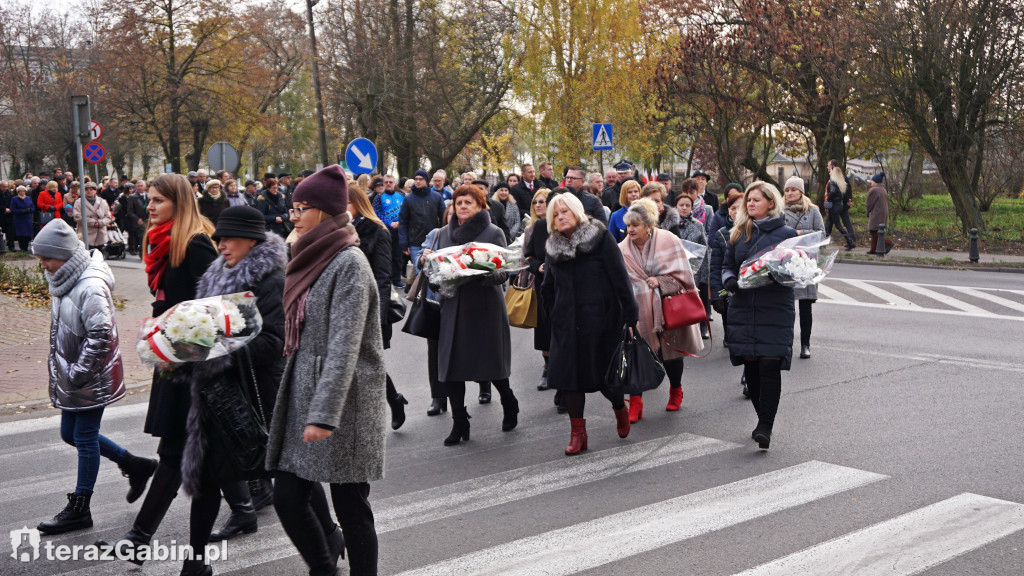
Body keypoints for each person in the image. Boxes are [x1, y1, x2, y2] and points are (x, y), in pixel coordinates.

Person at [267, 165, 385, 576]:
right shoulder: (310, 258)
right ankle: (324, 565)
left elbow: (344, 346)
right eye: (293, 206)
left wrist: (324, 414)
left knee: (351, 507)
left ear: (326, 212)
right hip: (309, 395)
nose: (293, 215)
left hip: (345, 404)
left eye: (302, 207)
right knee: (286, 495)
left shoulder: (349, 263)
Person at [97, 174, 219, 564]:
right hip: (173, 360)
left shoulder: (196, 245)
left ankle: (150, 542)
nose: (148, 207)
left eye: (157, 201)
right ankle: (143, 541)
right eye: (148, 200)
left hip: (195, 367)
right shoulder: (163, 244)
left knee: (189, 459)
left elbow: (213, 312)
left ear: (179, 204)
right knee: (180, 456)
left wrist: (167, 331)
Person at [177, 206, 287, 572]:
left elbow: (274, 342)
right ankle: (194, 564)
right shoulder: (214, 273)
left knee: (290, 482)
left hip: (256, 394)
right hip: (215, 393)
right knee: (207, 477)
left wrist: (215, 344)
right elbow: (202, 325)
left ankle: (328, 538)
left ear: (252, 240)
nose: (221, 245)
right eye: (219, 238)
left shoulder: (270, 278)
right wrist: (178, 345)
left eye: (229, 239)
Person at [31, 219, 156, 535]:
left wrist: (77, 373)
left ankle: (80, 507)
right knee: (69, 434)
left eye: (47, 258)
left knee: (84, 437)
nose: (43, 264)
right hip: (74, 375)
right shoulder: (63, 278)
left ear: (64, 255)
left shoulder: (89, 285)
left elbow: (101, 334)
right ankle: (133, 463)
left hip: (89, 376)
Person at [541, 193, 638, 456]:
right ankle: (577, 434)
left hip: (601, 321)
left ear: (576, 212)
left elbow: (620, 277)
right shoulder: (553, 245)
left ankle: (619, 408)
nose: (560, 217)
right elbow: (547, 287)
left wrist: (630, 313)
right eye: (555, 214)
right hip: (566, 323)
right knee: (570, 380)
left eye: (565, 212)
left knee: (605, 380)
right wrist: (552, 315)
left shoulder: (601, 238)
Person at [430, 185, 520, 445]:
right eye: (459, 202)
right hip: (453, 307)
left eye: (469, 202)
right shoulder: (444, 233)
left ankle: (509, 401)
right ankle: (460, 422)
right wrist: (436, 273)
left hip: (485, 307)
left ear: (480, 206)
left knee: (491, 364)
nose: (463, 206)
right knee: (451, 368)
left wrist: (477, 267)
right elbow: (436, 273)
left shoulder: (493, 232)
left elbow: (504, 273)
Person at [722, 181, 798, 450]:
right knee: (752, 367)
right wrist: (730, 279)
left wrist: (778, 273)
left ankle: (766, 425)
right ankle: (760, 417)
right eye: (748, 200)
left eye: (756, 199)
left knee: (769, 364)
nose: (750, 203)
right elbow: (727, 265)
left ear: (770, 203)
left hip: (774, 307)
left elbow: (795, 268)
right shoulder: (739, 232)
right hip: (744, 307)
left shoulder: (787, 233)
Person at [618, 200, 702, 421]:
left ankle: (676, 389)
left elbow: (685, 278)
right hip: (636, 311)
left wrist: (660, 281)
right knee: (635, 354)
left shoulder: (669, 240)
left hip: (668, 308)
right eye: (628, 226)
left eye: (636, 225)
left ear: (649, 224)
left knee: (671, 356)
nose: (631, 230)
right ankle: (635, 401)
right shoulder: (621, 249)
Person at [350, 185, 409, 430]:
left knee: (367, 362)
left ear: (355, 203)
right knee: (356, 362)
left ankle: (392, 401)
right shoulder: (338, 230)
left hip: (370, 306)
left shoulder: (376, 230)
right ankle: (394, 399)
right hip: (346, 304)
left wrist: (379, 315)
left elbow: (382, 277)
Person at [782, 176, 825, 360]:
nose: (790, 193)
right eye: (787, 190)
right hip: (787, 263)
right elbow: (777, 234)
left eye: (793, 189)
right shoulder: (779, 210)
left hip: (807, 264)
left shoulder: (813, 210)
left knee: (806, 307)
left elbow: (822, 233)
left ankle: (805, 345)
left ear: (801, 191)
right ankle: (787, 344)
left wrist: (800, 233)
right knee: (787, 308)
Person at [419, 203, 456, 417]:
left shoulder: (469, 236)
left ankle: (485, 387)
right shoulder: (435, 234)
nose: (454, 216)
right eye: (450, 213)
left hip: (464, 303)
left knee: (470, 347)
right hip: (436, 302)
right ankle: (438, 397)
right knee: (434, 351)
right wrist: (423, 258)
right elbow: (418, 263)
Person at [709, 191, 744, 393]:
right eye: (732, 208)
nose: (736, 211)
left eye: (740, 207)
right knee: (732, 326)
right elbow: (716, 267)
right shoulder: (722, 233)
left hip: (749, 290)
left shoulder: (755, 230)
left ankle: (748, 373)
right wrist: (717, 295)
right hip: (727, 289)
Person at [523, 188, 552, 392]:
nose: (539, 205)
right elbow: (528, 256)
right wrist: (538, 266)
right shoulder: (535, 228)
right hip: (540, 284)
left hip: (564, 287)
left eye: (543, 201)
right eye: (535, 202)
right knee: (543, 329)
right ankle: (548, 369)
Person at [675, 193, 712, 340]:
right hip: (674, 267)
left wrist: (704, 273)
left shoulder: (698, 225)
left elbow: (703, 248)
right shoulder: (668, 224)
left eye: (687, 206)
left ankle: (703, 326)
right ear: (675, 207)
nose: (684, 208)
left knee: (698, 298)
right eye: (681, 205)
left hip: (693, 267)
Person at [399, 169, 445, 281]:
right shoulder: (409, 199)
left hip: (433, 241)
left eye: (421, 179)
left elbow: (444, 218)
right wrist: (404, 243)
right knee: (419, 271)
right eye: (416, 179)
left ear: (427, 181)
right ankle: (419, 297)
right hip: (415, 241)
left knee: (433, 271)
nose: (418, 181)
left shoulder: (436, 197)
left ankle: (429, 296)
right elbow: (403, 221)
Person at [371, 175, 405, 287]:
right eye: (386, 182)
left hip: (399, 231)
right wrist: (389, 223)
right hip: (385, 232)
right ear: (383, 183)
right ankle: (387, 279)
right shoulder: (378, 197)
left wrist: (400, 223)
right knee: (386, 256)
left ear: (394, 183)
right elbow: (376, 214)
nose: (389, 184)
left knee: (398, 256)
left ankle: (397, 279)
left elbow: (406, 212)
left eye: (391, 182)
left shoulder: (401, 196)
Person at [824, 159, 856, 250]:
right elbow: (845, 188)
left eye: (828, 165)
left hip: (836, 205)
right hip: (839, 204)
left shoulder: (834, 179)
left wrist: (828, 198)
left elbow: (835, 191)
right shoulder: (840, 177)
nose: (827, 167)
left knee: (839, 225)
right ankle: (824, 242)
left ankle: (851, 241)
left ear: (832, 167)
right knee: (829, 223)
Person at [74, 182, 112, 249]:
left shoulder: (102, 202)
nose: (89, 191)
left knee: (98, 256)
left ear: (95, 191)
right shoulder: (79, 202)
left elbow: (108, 217)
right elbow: (77, 217)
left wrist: (100, 223)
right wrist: (93, 222)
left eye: (91, 189)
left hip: (100, 235)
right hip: (86, 235)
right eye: (87, 189)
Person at [866, 173, 893, 255]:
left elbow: (869, 204)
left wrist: (867, 211)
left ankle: (888, 243)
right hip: (883, 213)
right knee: (876, 231)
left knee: (874, 231)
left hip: (876, 213)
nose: (871, 182)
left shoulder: (874, 190)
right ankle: (873, 249)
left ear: (876, 182)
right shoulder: (883, 189)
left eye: (872, 180)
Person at [10, 185, 35, 251]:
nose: (22, 192)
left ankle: (26, 248)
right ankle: (22, 248)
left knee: (27, 234)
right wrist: (23, 210)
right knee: (21, 234)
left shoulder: (28, 198)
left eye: (23, 191)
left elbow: (33, 208)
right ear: (18, 192)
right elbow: (12, 210)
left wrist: (29, 210)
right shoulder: (14, 199)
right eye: (20, 191)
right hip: (19, 219)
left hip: (27, 219)